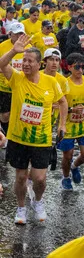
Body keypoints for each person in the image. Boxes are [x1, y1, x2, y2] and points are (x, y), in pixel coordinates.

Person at [0, 34, 67, 224]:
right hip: (18, 138)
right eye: (24, 61)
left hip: (41, 139)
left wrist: (62, 124)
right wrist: (14, 51)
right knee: (20, 177)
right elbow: (2, 64)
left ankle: (38, 201)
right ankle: (21, 208)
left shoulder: (51, 82)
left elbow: (63, 102)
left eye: (30, 61)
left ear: (39, 64)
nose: (26, 64)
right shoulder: (18, 79)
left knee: (39, 179)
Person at [58, 53, 84, 190]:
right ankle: (66, 177)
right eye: (77, 67)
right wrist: (71, 110)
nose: (80, 70)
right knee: (67, 155)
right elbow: (59, 105)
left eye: (83, 67)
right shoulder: (64, 84)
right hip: (68, 125)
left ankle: (74, 167)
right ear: (69, 67)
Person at [0, 23, 31, 137]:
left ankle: (15, 135)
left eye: (21, 34)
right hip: (4, 86)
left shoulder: (27, 47)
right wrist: (6, 69)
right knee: (5, 115)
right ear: (10, 34)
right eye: (17, 34)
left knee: (21, 113)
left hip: (20, 86)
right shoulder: (2, 46)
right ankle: (6, 133)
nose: (19, 37)